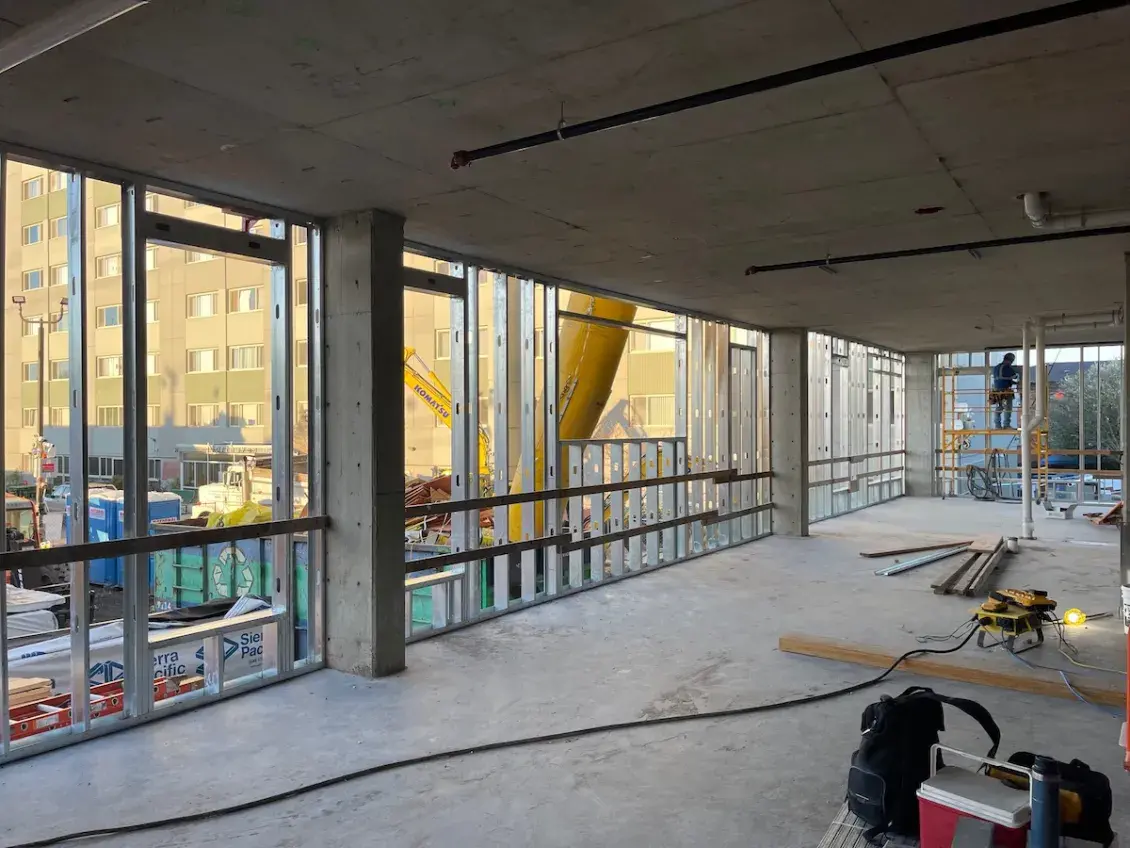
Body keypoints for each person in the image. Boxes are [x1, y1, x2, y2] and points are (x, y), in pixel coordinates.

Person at [990, 353, 1021, 429]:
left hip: (997, 391)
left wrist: (1013, 382)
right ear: (1009, 360)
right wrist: (1017, 380)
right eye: (1011, 361)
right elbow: (1012, 376)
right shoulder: (1006, 368)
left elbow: (1003, 379)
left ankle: (997, 425)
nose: (1011, 363)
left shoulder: (996, 367)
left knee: (999, 408)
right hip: (1005, 391)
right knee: (1008, 408)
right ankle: (1006, 425)